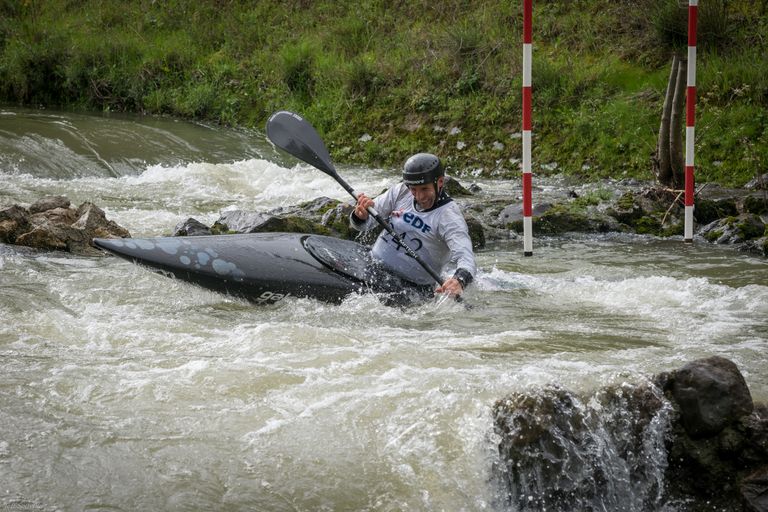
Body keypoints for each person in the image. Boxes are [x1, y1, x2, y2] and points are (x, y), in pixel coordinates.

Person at [350, 152, 476, 298]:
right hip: (373, 266)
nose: (419, 196)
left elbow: (466, 257)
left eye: (425, 189)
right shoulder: (401, 191)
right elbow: (364, 225)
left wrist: (459, 280)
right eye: (414, 189)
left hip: (412, 289)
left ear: (440, 182)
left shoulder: (449, 217)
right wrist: (361, 216)